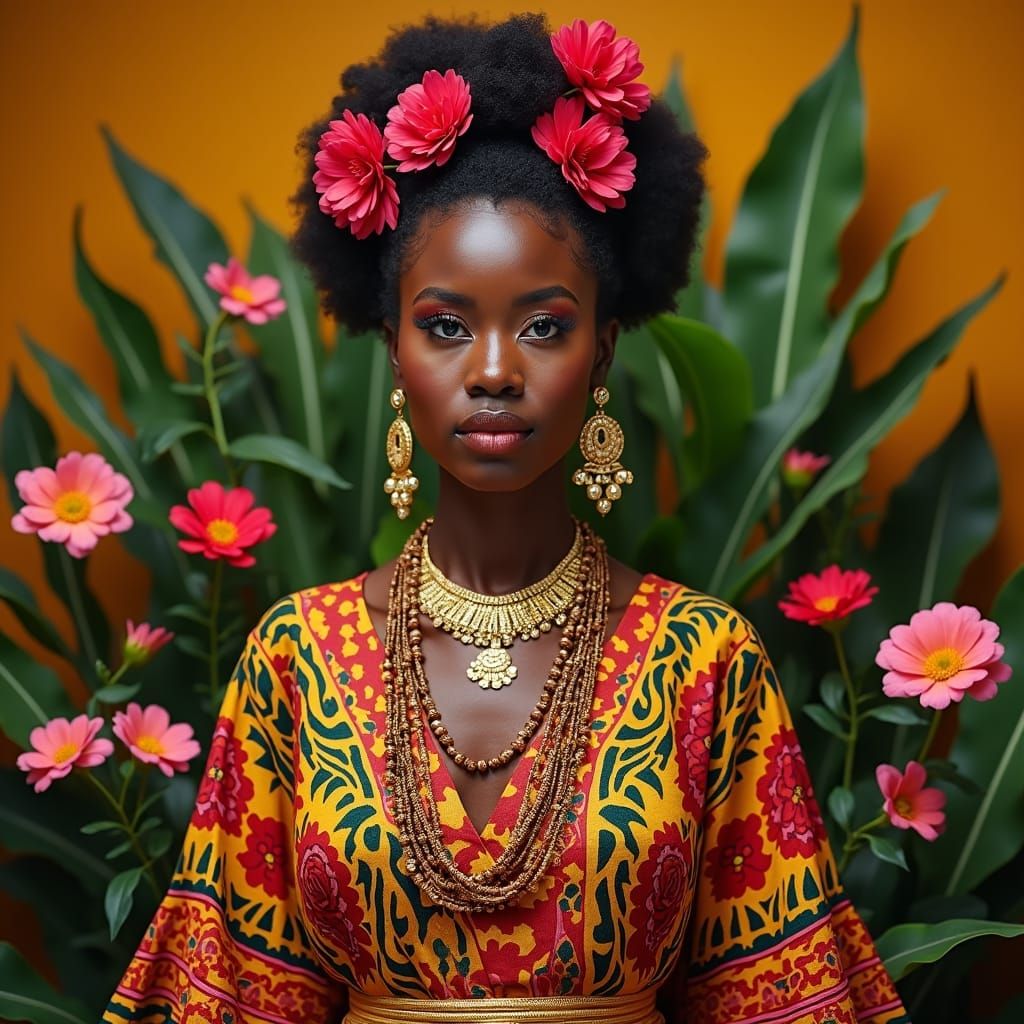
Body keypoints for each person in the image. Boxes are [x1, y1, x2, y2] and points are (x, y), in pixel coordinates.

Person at [104, 13, 908, 1024]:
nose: (491, 370)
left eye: (542, 326)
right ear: (393, 351)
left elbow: (788, 1001)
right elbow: (225, 998)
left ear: (604, 352)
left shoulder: (704, 661)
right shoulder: (294, 657)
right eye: (446, 326)